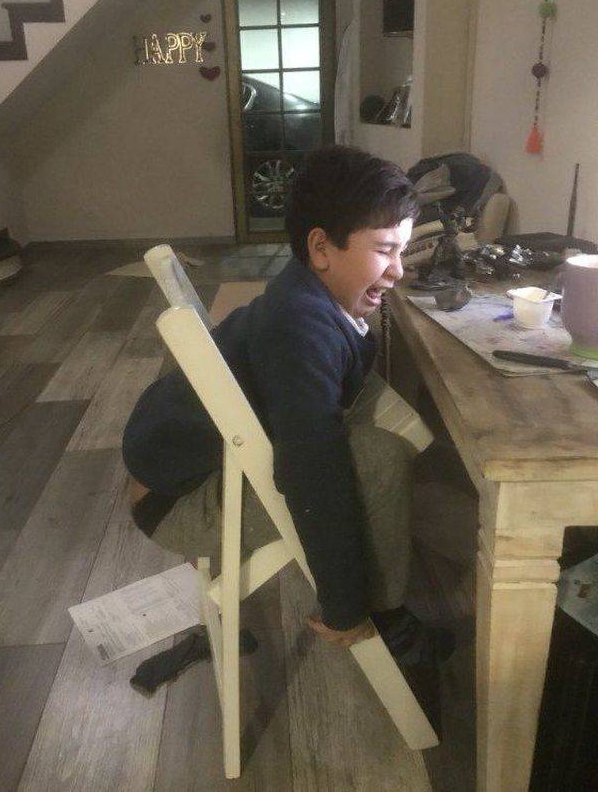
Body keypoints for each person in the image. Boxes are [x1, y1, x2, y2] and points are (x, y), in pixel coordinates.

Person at [123, 145, 433, 653]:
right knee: (380, 456)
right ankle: (388, 623)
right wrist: (345, 604)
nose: (398, 270)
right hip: (174, 503)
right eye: (384, 250)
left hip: (179, 472)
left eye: (402, 250)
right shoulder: (300, 330)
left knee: (358, 438)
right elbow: (313, 475)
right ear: (321, 248)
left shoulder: (305, 290)